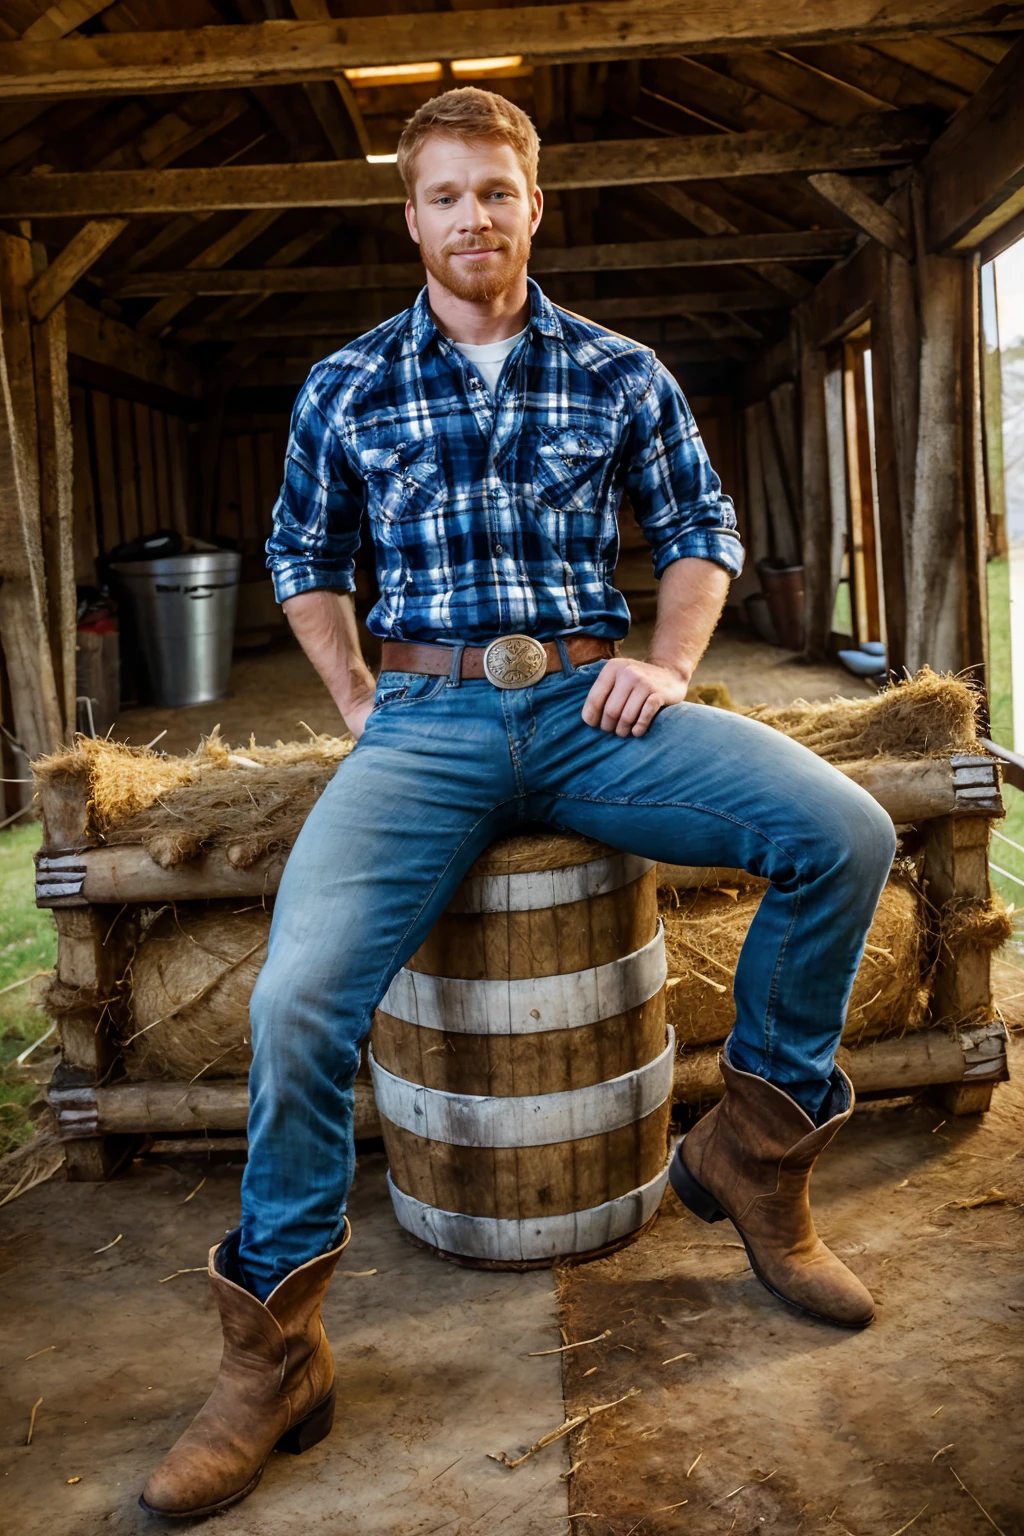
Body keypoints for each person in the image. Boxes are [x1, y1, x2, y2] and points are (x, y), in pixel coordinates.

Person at [141, 87, 897, 1520]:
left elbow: (699, 534)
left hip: (588, 702)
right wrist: (360, 695)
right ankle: (275, 1353)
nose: (473, 217)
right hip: (423, 724)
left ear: (535, 204)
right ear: (409, 214)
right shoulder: (348, 382)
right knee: (295, 999)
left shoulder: (619, 369)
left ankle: (755, 1156)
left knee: (843, 830)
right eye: (445, 195)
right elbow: (301, 551)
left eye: (498, 191)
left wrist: (670, 666)